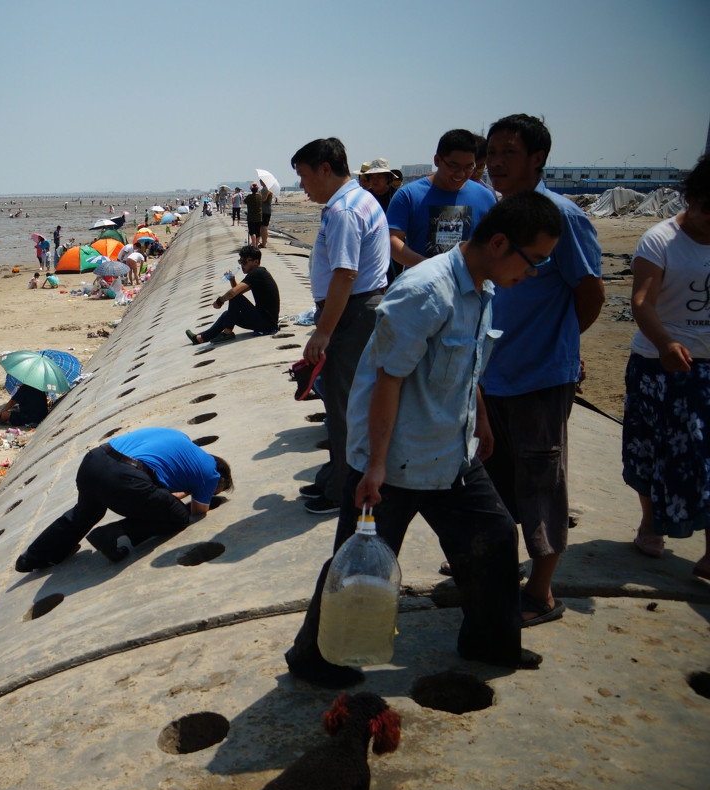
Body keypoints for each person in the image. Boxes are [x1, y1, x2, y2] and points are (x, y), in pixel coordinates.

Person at [283, 191, 563, 689]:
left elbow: (467, 364)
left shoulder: (482, 288)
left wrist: (480, 419)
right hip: (395, 463)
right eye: (534, 259)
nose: (535, 271)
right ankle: (314, 659)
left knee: (495, 536)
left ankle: (490, 643)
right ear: (499, 243)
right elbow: (386, 381)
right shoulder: (425, 291)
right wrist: (373, 469)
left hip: (451, 454)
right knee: (357, 562)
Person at [481, 113, 605, 627]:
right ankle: (499, 565)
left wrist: (559, 348)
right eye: (492, 152)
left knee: (541, 482)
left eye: (508, 153)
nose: (495, 163)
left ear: (537, 160)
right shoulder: (498, 212)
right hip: (492, 378)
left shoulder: (562, 217)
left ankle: (542, 592)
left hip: (539, 380)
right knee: (494, 480)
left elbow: (590, 292)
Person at [292, 137, 391, 515]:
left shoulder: (344, 211)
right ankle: (336, 479)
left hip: (351, 313)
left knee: (343, 404)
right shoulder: (361, 199)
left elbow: (345, 274)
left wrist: (323, 331)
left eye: (303, 176)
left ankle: (343, 493)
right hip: (358, 309)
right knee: (348, 401)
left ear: (324, 169)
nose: (302, 185)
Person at [623, 155, 710, 579]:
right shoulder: (660, 241)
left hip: (707, 367)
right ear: (691, 199)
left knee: (704, 455)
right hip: (660, 364)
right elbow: (642, 302)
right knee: (650, 448)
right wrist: (666, 343)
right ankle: (651, 523)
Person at [15, 427, 233, 572]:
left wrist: (185, 490)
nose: (211, 492)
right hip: (125, 476)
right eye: (216, 491)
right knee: (178, 517)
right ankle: (111, 535)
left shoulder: (182, 442)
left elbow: (161, 493)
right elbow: (197, 511)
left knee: (87, 512)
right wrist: (197, 496)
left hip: (94, 461)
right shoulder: (211, 474)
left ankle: (33, 557)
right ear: (220, 478)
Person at [388, 129, 497, 270]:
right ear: (437, 160)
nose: (461, 173)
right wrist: (429, 267)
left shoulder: (485, 197)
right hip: (422, 286)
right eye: (454, 166)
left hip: (470, 287)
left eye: (469, 167)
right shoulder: (408, 195)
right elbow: (392, 240)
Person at [185, 245, 279, 344]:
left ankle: (227, 332)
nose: (242, 265)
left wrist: (220, 301)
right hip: (263, 321)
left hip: (266, 324)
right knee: (227, 315)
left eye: (244, 262)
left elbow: (234, 293)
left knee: (234, 297)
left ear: (255, 262)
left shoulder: (257, 273)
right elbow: (239, 291)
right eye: (240, 262)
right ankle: (201, 338)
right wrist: (232, 280)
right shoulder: (257, 274)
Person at [259, 183, 275, 248]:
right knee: (261, 227)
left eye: (261, 181)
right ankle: (263, 242)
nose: (260, 182)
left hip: (265, 211)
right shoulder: (263, 189)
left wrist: (258, 198)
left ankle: (264, 243)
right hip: (262, 210)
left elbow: (264, 199)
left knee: (264, 227)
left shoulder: (267, 189)